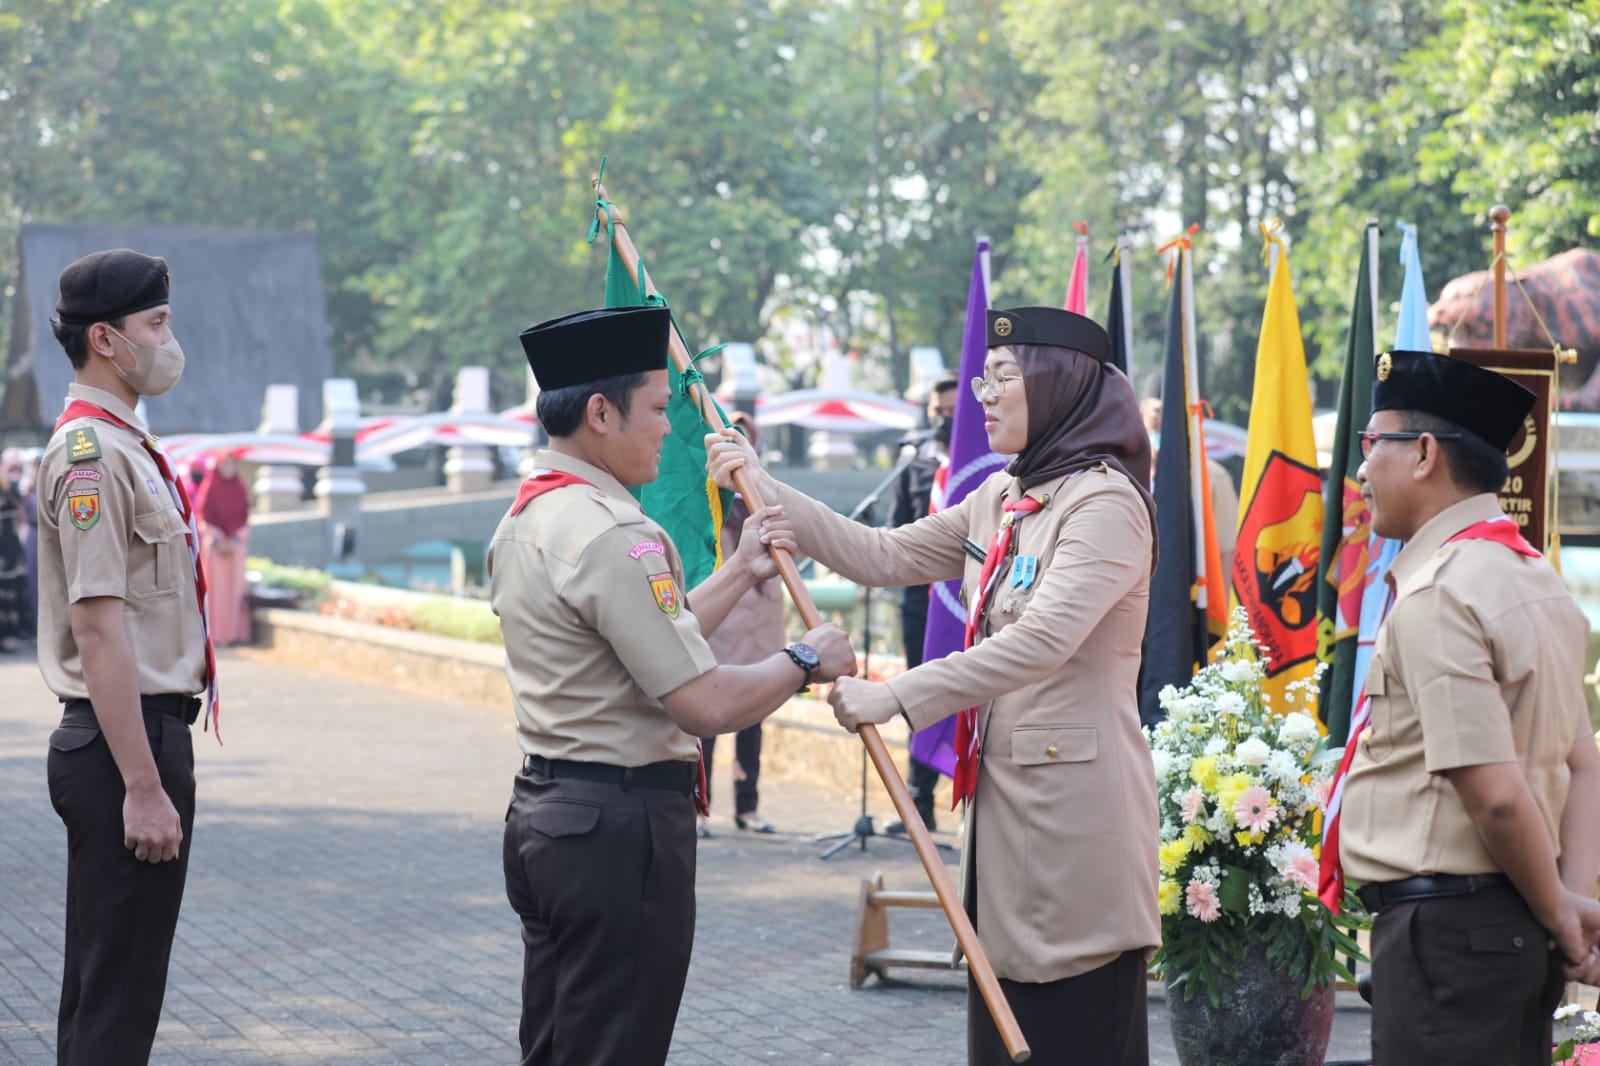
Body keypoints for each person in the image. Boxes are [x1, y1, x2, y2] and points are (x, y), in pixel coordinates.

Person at [708, 306, 1160, 1065]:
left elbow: (1042, 639)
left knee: (1075, 1031)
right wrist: (759, 480)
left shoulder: (1104, 504)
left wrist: (897, 696)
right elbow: (879, 555)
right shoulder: (1005, 499)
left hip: (1077, 829)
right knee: (1002, 1024)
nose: (982, 393)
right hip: (1006, 824)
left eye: (1002, 377)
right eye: (985, 376)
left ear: (1055, 388)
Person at [489, 305, 856, 1066]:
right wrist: (804, 660)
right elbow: (704, 702)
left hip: (549, 817)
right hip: (617, 831)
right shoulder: (618, 535)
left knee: (561, 1045)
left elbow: (649, 631)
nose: (667, 429)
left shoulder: (532, 517)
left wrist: (745, 565)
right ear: (601, 412)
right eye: (656, 408)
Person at [1340, 348, 1600, 1065]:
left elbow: (1497, 800)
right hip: (1512, 924)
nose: (1358, 471)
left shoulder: (1442, 592)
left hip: (1451, 936)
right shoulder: (1533, 577)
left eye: (1371, 445)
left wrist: (1562, 915)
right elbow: (1587, 765)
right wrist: (1568, 903)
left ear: (1423, 454)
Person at [35, 248, 210, 1065]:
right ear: (106, 339)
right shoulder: (92, 456)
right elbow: (99, 628)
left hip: (134, 739)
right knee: (117, 1003)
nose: (170, 341)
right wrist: (143, 786)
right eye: (158, 324)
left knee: (111, 990)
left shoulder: (121, 444)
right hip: (123, 745)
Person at [700, 410, 787, 837]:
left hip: (762, 618)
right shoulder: (705, 495)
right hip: (723, 619)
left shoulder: (764, 490)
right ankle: (701, 808)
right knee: (711, 714)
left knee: (755, 713)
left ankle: (747, 807)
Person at [884, 370, 959, 833]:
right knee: (920, 696)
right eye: (938, 412)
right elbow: (894, 534)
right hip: (922, 603)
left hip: (968, 603)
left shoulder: (989, 466)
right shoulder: (913, 467)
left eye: (954, 413)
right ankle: (919, 800)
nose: (944, 420)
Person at [196, 450, 251, 646]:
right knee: (215, 591)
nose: (229, 469)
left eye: (232, 465)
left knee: (235, 591)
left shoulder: (240, 488)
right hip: (216, 547)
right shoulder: (210, 487)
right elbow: (203, 516)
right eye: (225, 465)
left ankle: (234, 634)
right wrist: (218, 540)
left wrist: (235, 540)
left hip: (235, 547)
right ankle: (215, 635)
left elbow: (245, 517)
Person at [0, 460, 25, 652]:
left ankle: (8, 633)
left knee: (8, 588)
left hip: (7, 543)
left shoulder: (8, 485)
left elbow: (18, 501)